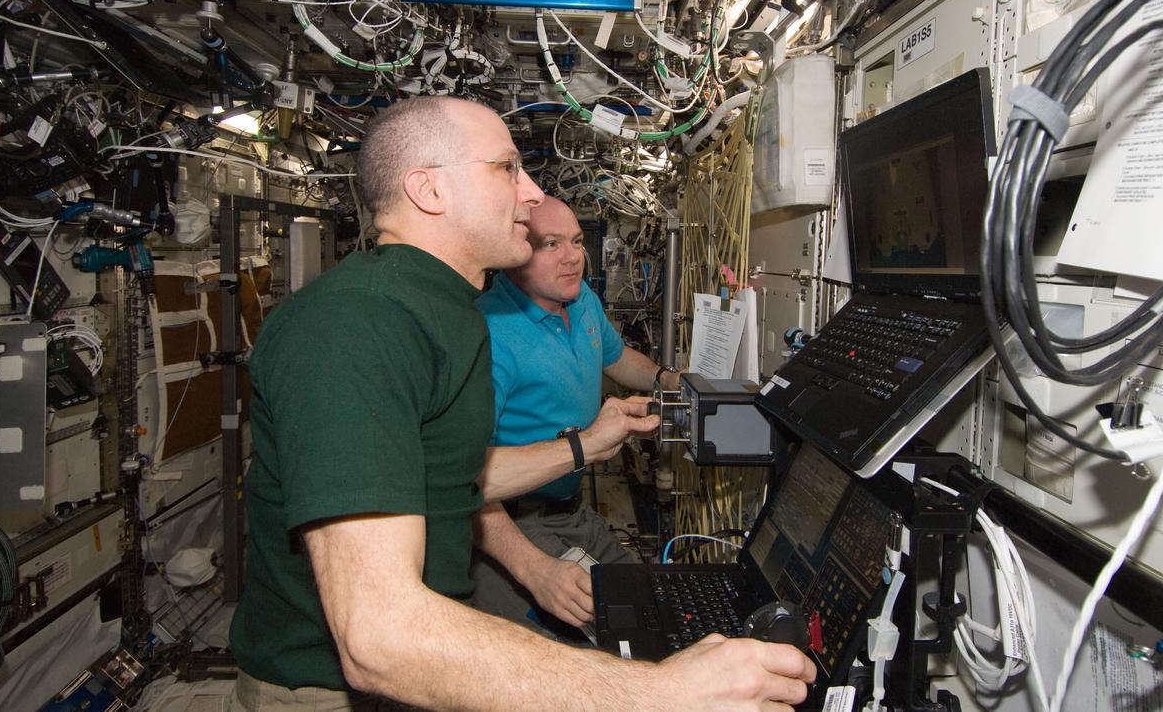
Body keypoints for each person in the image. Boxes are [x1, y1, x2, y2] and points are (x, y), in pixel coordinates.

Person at [229, 95, 816, 712]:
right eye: (507, 168)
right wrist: (657, 692)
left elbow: (449, 480)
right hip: (328, 694)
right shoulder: (358, 325)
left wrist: (587, 442)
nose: (532, 192)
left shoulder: (442, 313)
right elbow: (380, 638)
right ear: (428, 190)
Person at [472, 197, 676, 633]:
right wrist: (535, 570)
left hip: (574, 510)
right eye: (551, 244)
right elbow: (461, 483)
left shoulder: (580, 298)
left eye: (578, 241)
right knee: (596, 639)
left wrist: (668, 380)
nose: (573, 258)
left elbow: (617, 359)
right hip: (513, 521)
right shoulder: (487, 334)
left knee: (653, 609)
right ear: (513, 253)